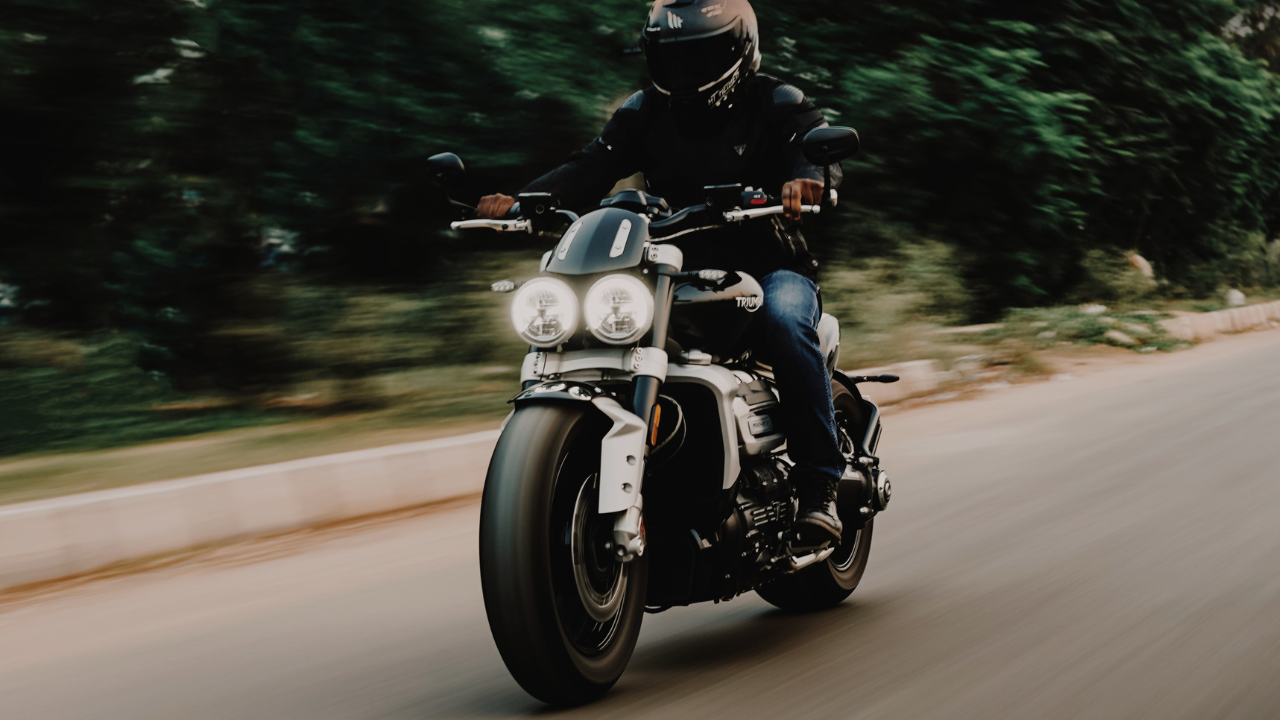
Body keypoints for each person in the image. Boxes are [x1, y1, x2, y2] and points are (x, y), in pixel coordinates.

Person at [476, 0, 846, 545]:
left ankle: (819, 487)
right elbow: (591, 164)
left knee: (786, 321)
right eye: (672, 58)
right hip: (672, 271)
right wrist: (525, 202)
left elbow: (815, 148)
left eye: (700, 56)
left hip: (770, 266)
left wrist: (809, 179)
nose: (685, 72)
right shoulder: (645, 110)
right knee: (600, 328)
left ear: (739, 51)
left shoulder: (775, 100)